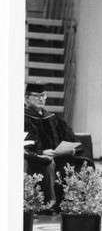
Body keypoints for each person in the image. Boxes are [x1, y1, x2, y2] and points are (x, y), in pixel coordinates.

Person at [24, 82, 94, 212]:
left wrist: (71, 149)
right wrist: (42, 151)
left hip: (58, 156)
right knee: (48, 162)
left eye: (43, 95)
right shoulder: (22, 118)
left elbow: (72, 138)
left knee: (82, 163)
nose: (41, 99)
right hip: (36, 158)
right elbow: (24, 145)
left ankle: (80, 207)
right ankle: (47, 205)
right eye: (36, 95)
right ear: (27, 98)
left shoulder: (52, 118)